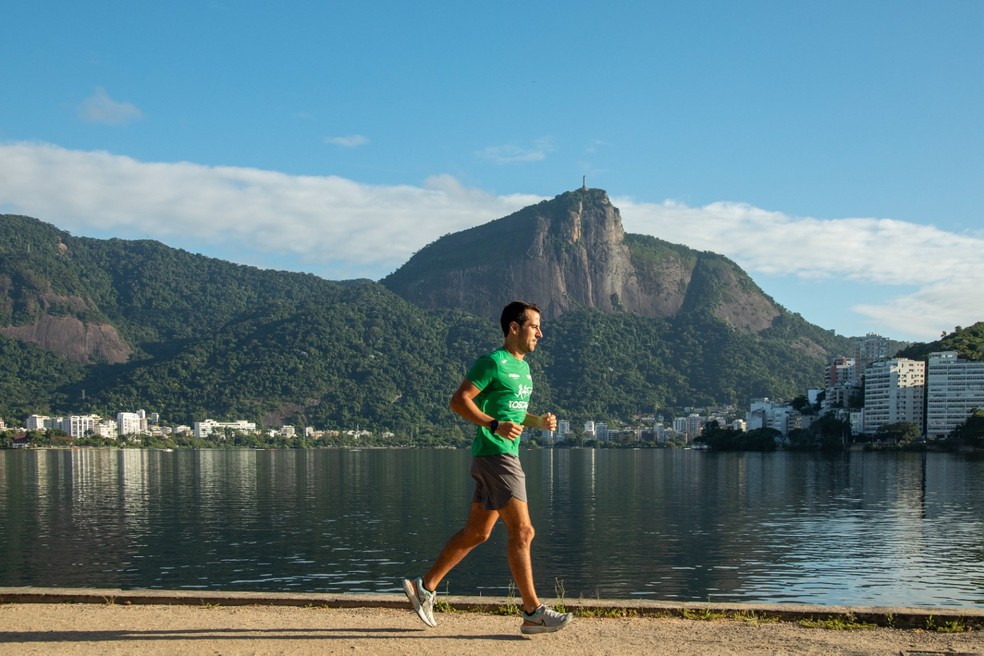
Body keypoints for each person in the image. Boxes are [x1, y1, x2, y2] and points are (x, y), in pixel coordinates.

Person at [402, 301, 573, 635]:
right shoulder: (492, 363)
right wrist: (493, 425)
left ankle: (425, 588)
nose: (540, 332)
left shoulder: (523, 369)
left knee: (478, 532)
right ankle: (532, 611)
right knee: (523, 531)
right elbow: (459, 400)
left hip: (498, 454)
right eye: (534, 325)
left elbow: (510, 410)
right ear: (514, 327)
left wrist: (537, 420)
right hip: (497, 456)